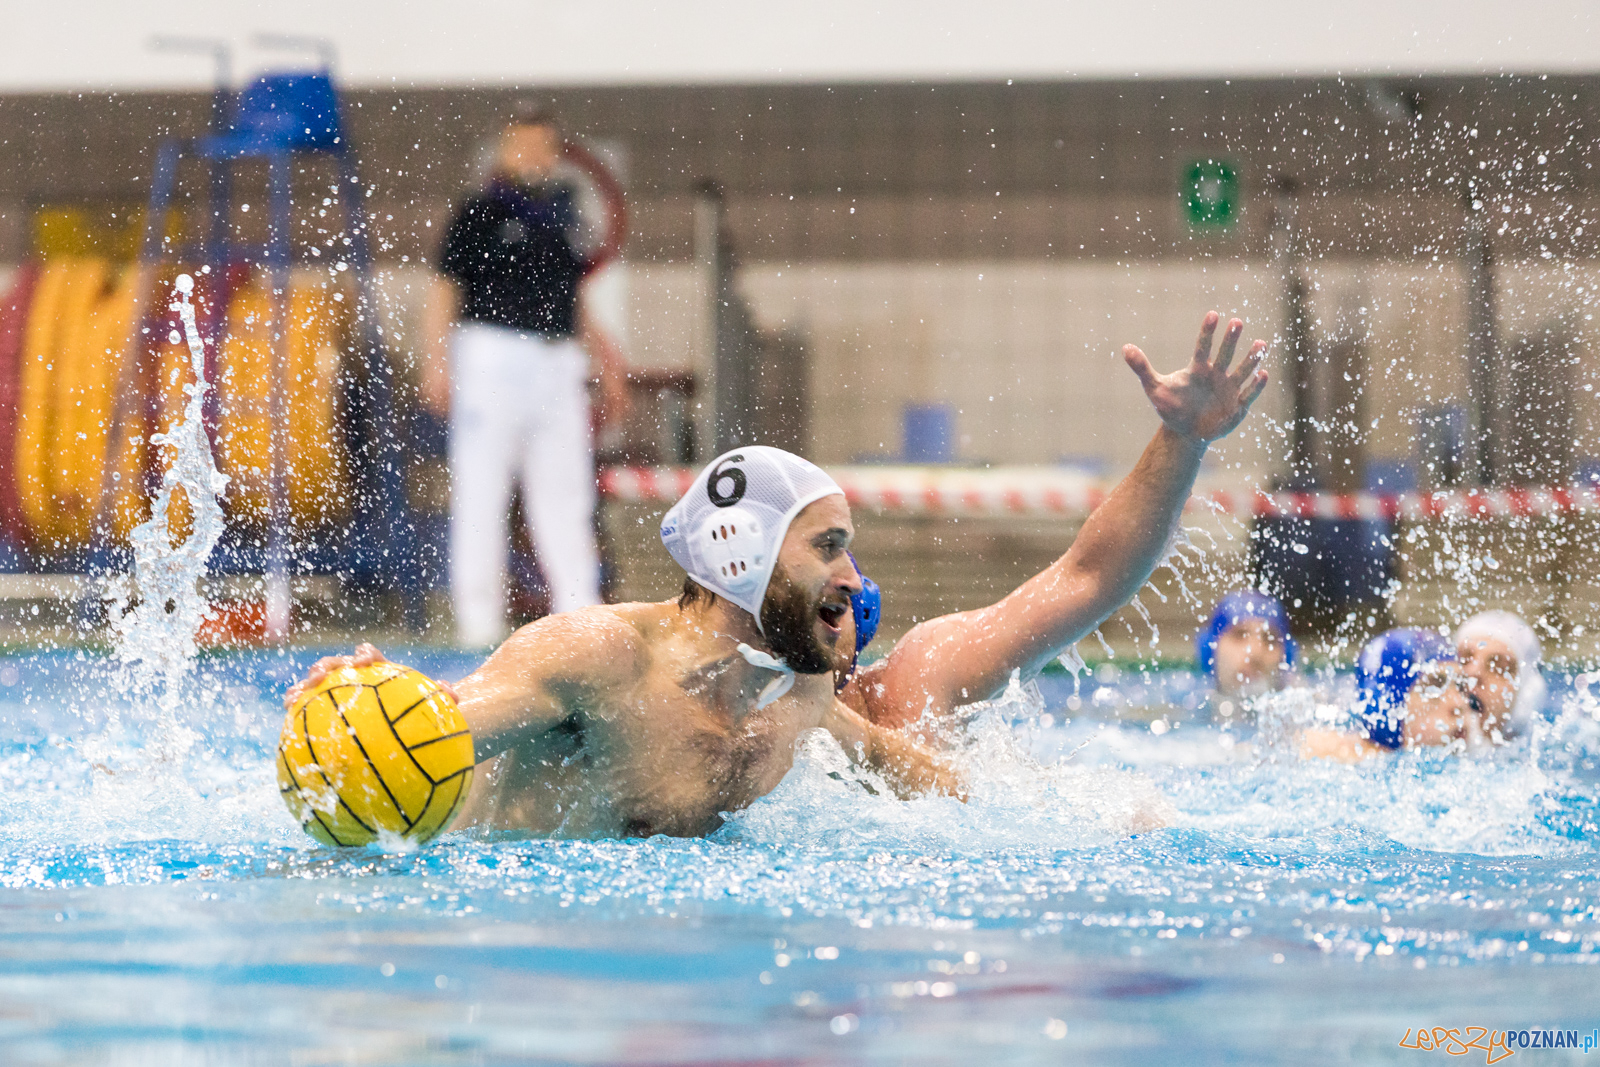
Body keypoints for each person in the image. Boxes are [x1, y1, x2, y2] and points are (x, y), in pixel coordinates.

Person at [289, 311, 1269, 838]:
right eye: (829, 544)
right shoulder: (601, 657)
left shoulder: (793, 698)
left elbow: (937, 782)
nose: (854, 577)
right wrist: (364, 704)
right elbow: (433, 725)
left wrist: (1102, 824)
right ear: (740, 557)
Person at [836, 313, 1272, 729]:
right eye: (822, 546)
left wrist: (1183, 438)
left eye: (840, 551)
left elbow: (1090, 574)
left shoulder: (918, 679)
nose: (846, 580)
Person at [421, 102, 632, 647]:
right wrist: (436, 361)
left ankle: (580, 618)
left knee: (565, 495)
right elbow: (444, 289)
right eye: (525, 145)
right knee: (482, 492)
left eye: (545, 147)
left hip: (556, 362)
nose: (535, 156)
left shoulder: (562, 216)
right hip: (492, 357)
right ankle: (478, 622)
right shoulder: (477, 212)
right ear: (506, 150)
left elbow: (574, 297)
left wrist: (607, 362)